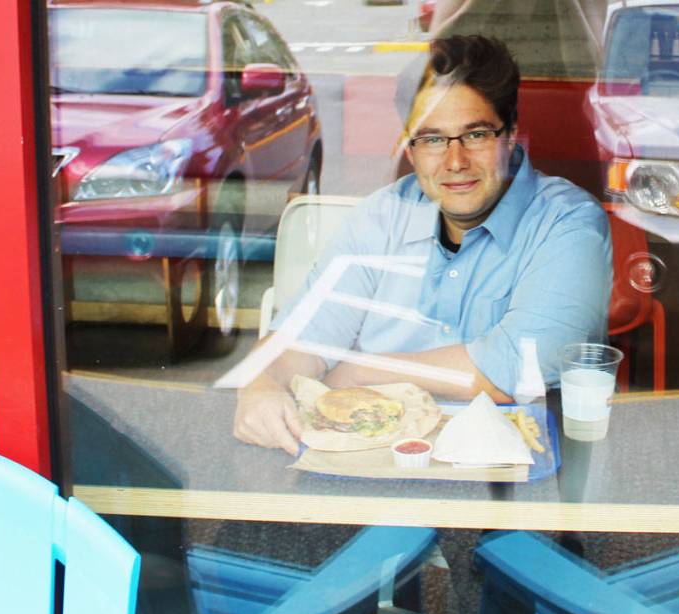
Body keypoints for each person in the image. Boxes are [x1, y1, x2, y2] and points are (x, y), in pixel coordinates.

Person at [233, 35, 611, 453]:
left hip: (511, 472)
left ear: (511, 134)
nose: (455, 162)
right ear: (410, 149)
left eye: (476, 135)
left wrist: (360, 372)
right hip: (373, 463)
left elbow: (518, 367)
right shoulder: (379, 218)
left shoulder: (566, 221)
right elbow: (301, 340)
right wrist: (261, 383)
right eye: (432, 139)